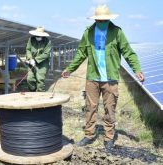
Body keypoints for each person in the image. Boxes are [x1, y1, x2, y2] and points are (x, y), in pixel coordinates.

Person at [61, 5, 144, 150]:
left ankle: (109, 138)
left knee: (109, 108)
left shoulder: (117, 32)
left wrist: (137, 69)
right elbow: (81, 53)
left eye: (104, 19)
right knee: (90, 107)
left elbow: (128, 52)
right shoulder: (88, 32)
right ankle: (89, 135)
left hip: (110, 78)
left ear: (108, 19)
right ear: (95, 19)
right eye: (99, 19)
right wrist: (69, 69)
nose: (101, 21)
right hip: (92, 77)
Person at [26, 27, 51, 92]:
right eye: (37, 36)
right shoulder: (31, 39)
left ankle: (40, 93)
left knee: (40, 79)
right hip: (32, 62)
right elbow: (28, 49)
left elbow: (46, 54)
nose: (38, 37)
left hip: (43, 63)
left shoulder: (47, 41)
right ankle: (33, 91)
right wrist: (30, 59)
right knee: (30, 79)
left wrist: (36, 59)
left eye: (39, 36)